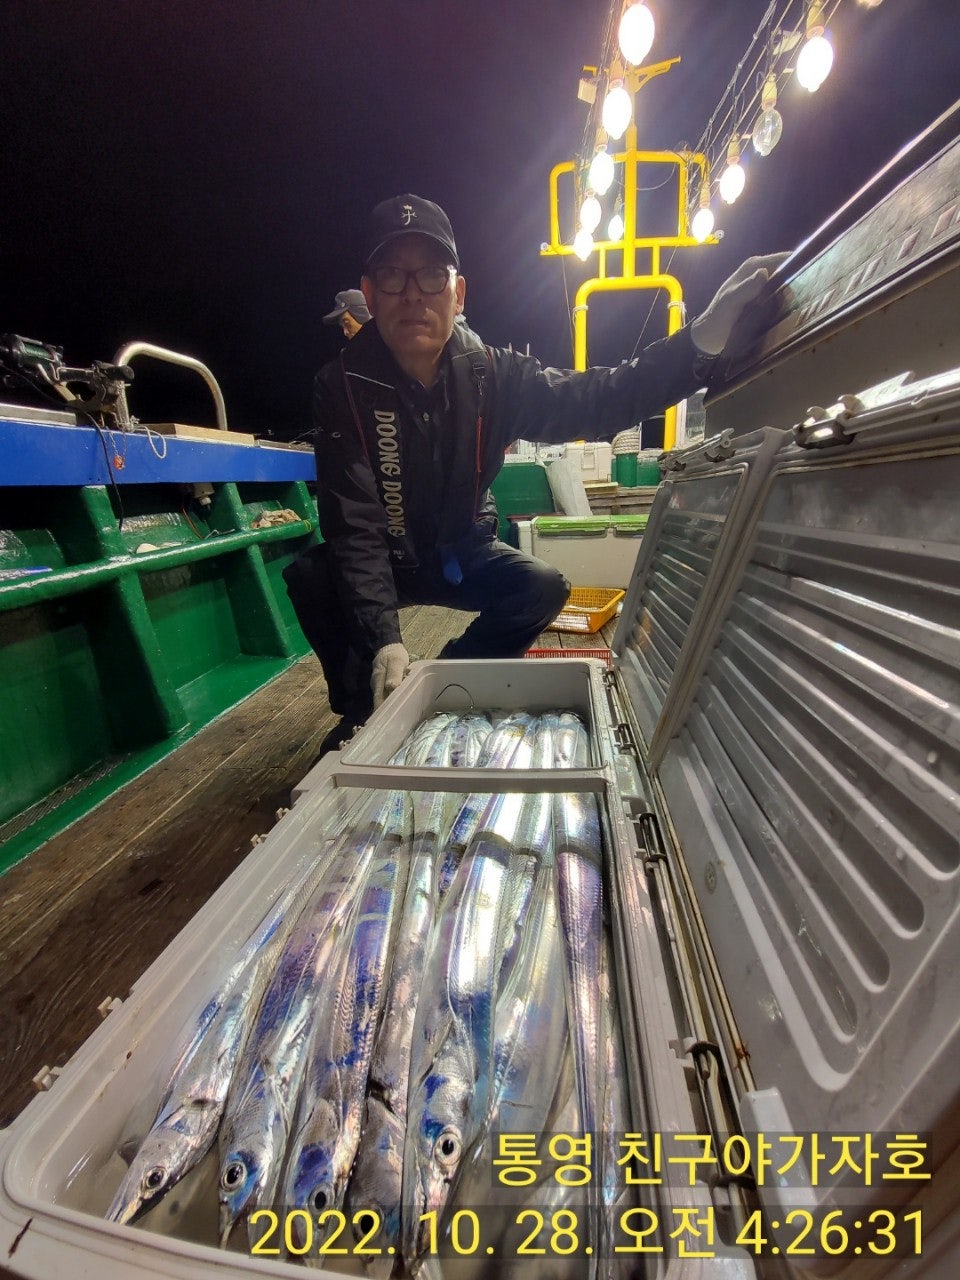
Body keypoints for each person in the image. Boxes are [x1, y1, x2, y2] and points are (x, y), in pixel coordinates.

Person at [285, 193, 786, 754]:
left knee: (543, 588)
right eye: (392, 276)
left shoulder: (494, 376)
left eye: (431, 274)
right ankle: (365, 705)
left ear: (458, 293)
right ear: (370, 292)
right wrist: (385, 639)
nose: (413, 294)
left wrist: (699, 341)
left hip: (459, 555)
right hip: (387, 558)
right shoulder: (340, 387)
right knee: (312, 578)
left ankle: (443, 686)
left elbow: (600, 397)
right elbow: (354, 526)